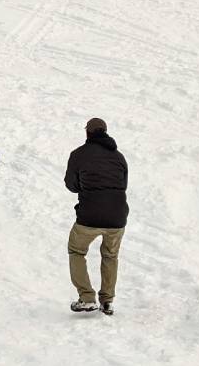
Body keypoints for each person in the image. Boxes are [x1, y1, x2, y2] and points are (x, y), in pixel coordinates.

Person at [64, 118, 129, 315]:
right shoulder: (119, 157)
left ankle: (87, 297)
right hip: (117, 216)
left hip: (89, 215)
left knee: (76, 251)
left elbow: (71, 185)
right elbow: (123, 184)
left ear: (87, 133)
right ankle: (107, 301)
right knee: (110, 255)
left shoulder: (78, 155)